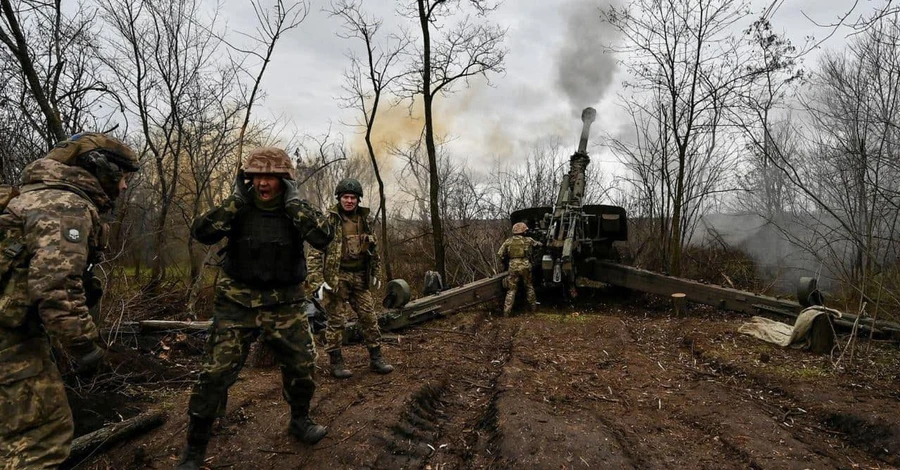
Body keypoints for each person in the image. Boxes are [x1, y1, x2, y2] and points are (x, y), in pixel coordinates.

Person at [176, 148, 333, 470]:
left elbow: (324, 238)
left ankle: (299, 420)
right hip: (238, 301)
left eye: (271, 177)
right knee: (215, 374)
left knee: (303, 366)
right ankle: (195, 447)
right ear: (247, 179)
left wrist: (294, 204)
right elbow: (201, 232)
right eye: (257, 177)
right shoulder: (237, 207)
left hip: (285, 301)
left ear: (284, 180)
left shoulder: (295, 209)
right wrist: (235, 200)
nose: (263, 183)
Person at [0, 133, 139, 469]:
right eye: (120, 177)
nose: (122, 187)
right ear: (99, 169)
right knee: (42, 438)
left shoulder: (30, 197)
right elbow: (57, 288)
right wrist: (87, 351)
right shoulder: (64, 206)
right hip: (9, 342)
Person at [306, 178, 393, 379]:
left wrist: (375, 272)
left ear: (357, 200)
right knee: (336, 321)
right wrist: (318, 281)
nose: (349, 201)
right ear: (339, 198)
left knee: (370, 318)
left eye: (353, 198)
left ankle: (376, 358)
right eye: (345, 197)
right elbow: (314, 252)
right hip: (337, 278)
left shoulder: (365, 220)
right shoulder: (330, 220)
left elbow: (374, 248)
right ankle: (336, 362)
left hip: (360, 277)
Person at [497, 222, 542, 316]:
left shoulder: (508, 241)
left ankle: (506, 312)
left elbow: (500, 254)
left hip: (513, 266)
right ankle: (533, 308)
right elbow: (539, 245)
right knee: (529, 286)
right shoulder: (528, 240)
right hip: (525, 265)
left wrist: (505, 261)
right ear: (523, 231)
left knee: (511, 290)